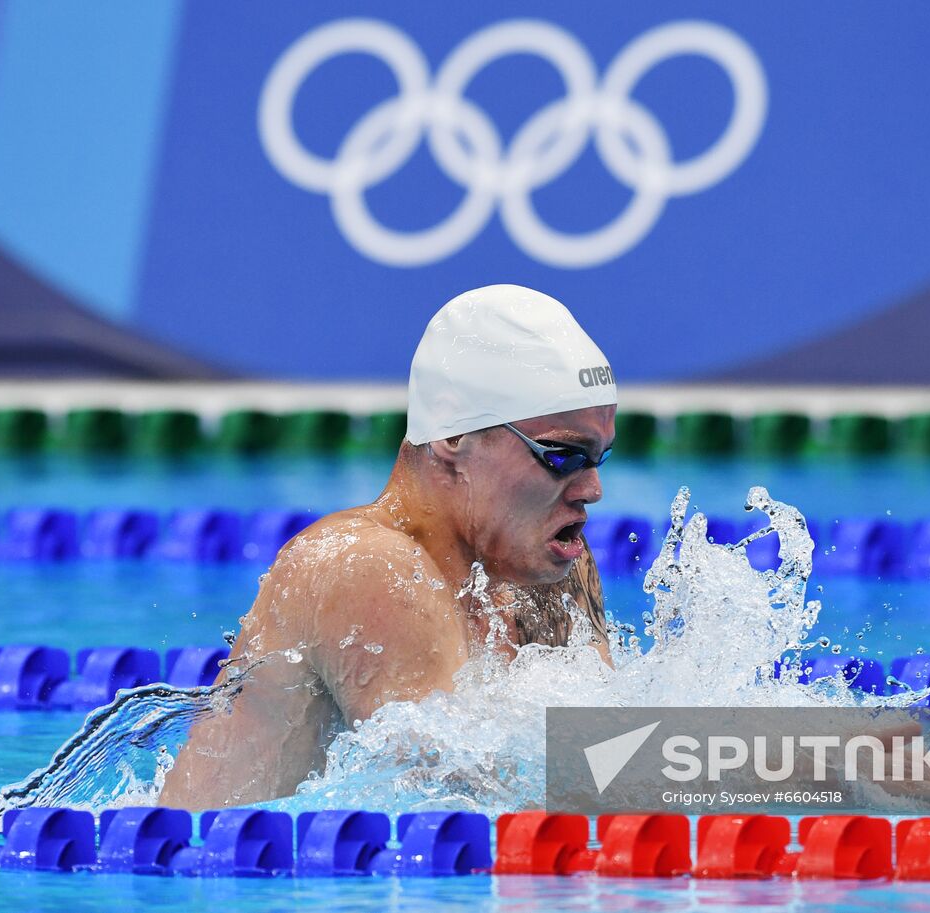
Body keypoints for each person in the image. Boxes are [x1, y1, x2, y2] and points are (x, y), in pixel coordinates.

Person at [159, 285, 618, 810]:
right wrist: (726, 765)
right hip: (225, 873)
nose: (591, 489)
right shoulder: (365, 565)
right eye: (562, 455)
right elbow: (463, 803)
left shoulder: (549, 568)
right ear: (454, 437)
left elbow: (604, 760)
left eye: (599, 457)